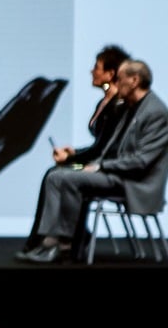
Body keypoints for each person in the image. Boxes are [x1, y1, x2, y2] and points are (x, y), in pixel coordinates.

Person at [20, 59, 168, 263]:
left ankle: (65, 244)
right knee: (56, 176)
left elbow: (141, 162)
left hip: (134, 181)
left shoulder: (155, 112)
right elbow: (107, 147)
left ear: (134, 80)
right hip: (116, 173)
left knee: (67, 179)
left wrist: (100, 166)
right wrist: (80, 159)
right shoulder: (130, 108)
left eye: (120, 79)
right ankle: (49, 241)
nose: (116, 84)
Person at [17, 44, 131, 258]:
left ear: (110, 73)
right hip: (96, 161)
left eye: (97, 67)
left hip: (104, 167)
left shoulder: (118, 106)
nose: (92, 71)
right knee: (54, 173)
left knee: (57, 175)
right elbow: (100, 145)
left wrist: (72, 158)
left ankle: (57, 239)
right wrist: (73, 154)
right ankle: (49, 238)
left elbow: (104, 149)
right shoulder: (105, 102)